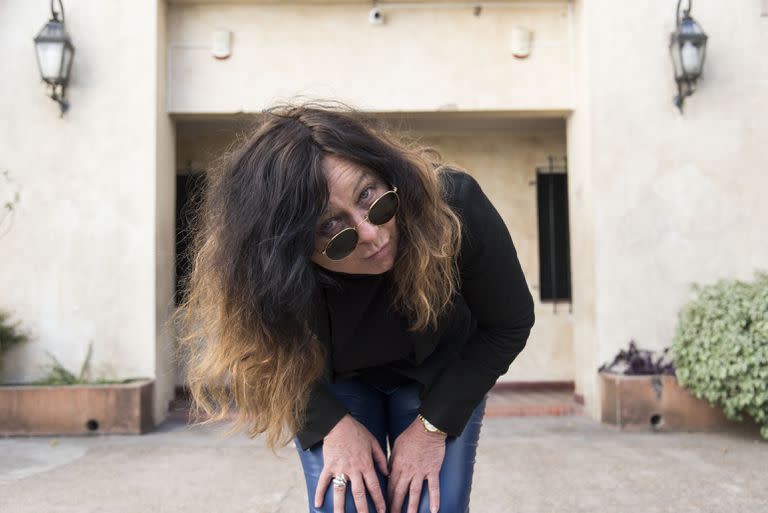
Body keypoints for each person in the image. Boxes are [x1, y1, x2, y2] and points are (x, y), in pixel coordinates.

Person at [173, 100, 535, 513]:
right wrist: (331, 425)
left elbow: (509, 324)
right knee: (344, 505)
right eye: (331, 227)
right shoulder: (264, 274)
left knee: (434, 506)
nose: (371, 233)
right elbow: (263, 350)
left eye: (371, 197)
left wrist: (432, 427)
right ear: (289, 252)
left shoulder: (454, 205)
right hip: (329, 380)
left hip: (439, 371)